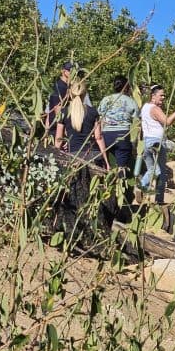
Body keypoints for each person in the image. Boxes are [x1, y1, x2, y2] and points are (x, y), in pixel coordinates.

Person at [53, 78, 110, 239]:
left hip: (72, 157)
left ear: (70, 94)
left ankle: (69, 230)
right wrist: (106, 161)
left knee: (72, 196)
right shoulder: (93, 112)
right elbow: (98, 137)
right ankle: (93, 232)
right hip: (92, 157)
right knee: (92, 197)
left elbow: (58, 140)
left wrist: (58, 158)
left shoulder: (64, 112)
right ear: (85, 94)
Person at [140, 85, 175, 206]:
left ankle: (142, 188)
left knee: (152, 169)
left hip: (146, 142)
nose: (163, 97)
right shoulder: (154, 108)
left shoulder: (145, 107)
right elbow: (167, 122)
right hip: (156, 142)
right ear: (153, 95)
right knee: (160, 172)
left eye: (164, 95)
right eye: (161, 95)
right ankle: (157, 198)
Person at [97, 76, 139, 178]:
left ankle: (110, 182)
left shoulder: (105, 99)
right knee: (122, 165)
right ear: (127, 87)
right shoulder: (130, 101)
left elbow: (99, 115)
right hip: (123, 134)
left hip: (107, 134)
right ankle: (122, 183)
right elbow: (136, 119)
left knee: (109, 164)